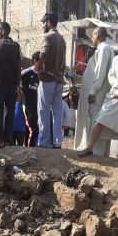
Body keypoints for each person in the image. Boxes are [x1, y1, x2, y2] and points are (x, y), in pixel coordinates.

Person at [76, 34, 118, 161]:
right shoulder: (116, 59)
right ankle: (90, 147)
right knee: (100, 119)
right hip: (114, 94)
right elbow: (111, 76)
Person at [74, 26, 114, 154]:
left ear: (97, 35)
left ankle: (96, 151)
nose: (92, 38)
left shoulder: (104, 49)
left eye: (93, 35)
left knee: (96, 120)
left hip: (98, 93)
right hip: (98, 92)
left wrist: (93, 91)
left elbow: (100, 73)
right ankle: (95, 149)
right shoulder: (104, 49)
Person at [0, 21, 22, 148]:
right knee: (10, 111)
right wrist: (19, 85)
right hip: (12, 84)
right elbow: (19, 67)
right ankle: (8, 139)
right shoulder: (16, 46)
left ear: (3, 31)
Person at [36, 13, 67, 148]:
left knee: (43, 111)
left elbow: (42, 54)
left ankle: (44, 142)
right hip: (59, 80)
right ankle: (57, 142)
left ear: (49, 22)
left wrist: (39, 69)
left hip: (48, 79)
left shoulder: (47, 36)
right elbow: (64, 63)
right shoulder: (62, 39)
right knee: (57, 111)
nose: (43, 25)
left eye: (44, 22)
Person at [20, 53, 42, 147]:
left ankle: (32, 147)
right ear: (35, 61)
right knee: (33, 128)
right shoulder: (27, 72)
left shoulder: (43, 74)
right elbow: (17, 79)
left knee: (36, 128)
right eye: (41, 61)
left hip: (39, 106)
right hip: (27, 105)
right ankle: (29, 148)